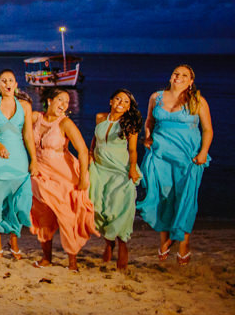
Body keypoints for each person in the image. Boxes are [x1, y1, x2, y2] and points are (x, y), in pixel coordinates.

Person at [138, 65, 213, 265]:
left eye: (184, 75)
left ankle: (183, 244)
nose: (178, 77)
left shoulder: (198, 101)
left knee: (185, 199)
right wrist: (147, 137)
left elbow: (207, 130)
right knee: (164, 198)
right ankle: (164, 240)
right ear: (171, 77)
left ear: (191, 81)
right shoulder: (156, 97)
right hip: (161, 155)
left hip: (188, 158)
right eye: (176, 73)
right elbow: (149, 121)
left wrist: (204, 152)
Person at [31, 88, 97, 271]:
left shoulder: (65, 123)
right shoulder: (36, 117)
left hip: (63, 175)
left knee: (67, 216)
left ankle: (72, 263)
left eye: (67, 102)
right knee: (43, 214)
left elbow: (83, 150)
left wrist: (84, 176)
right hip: (41, 174)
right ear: (49, 100)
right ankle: (46, 258)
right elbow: (16, 120)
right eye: (60, 100)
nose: (64, 105)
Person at [0, 70, 37, 260]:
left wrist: (33, 159)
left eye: (10, 80)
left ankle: (14, 240)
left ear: (16, 84)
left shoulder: (25, 106)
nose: (7, 84)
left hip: (19, 158)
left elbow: (28, 135)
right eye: (3, 81)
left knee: (19, 201)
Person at [89, 89, 142, 271]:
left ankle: (122, 244)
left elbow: (133, 150)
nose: (121, 103)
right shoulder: (100, 117)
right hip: (99, 168)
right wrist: (90, 154)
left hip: (120, 169)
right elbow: (95, 139)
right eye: (118, 99)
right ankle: (108, 242)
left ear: (129, 107)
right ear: (111, 101)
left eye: (126, 102)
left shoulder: (130, 123)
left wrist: (133, 169)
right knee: (99, 206)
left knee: (119, 204)